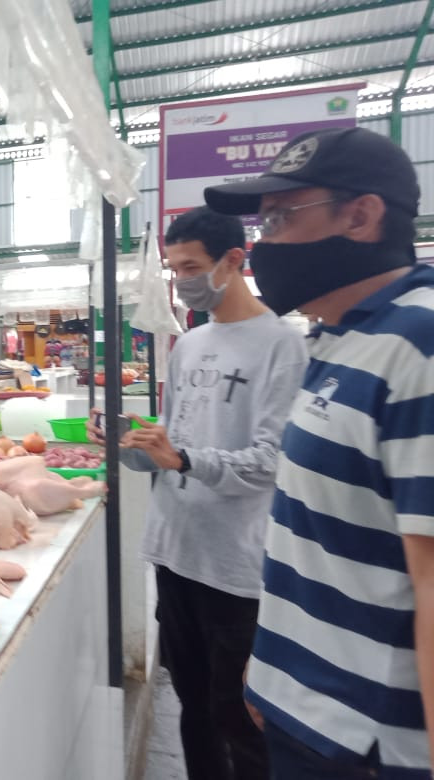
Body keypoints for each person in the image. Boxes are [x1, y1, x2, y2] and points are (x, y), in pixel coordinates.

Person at [204, 127, 434, 778]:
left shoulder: (421, 346)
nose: (262, 244)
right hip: (303, 709)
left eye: (280, 218)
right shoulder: (338, 336)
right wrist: (273, 659)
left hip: (368, 740)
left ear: (361, 216)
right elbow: (310, 524)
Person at [89, 206, 308, 780]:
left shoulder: (282, 345)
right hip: (175, 552)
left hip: (235, 567)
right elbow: (171, 447)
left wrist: (182, 457)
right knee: (192, 707)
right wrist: (125, 445)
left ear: (234, 261)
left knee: (238, 715)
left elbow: (269, 462)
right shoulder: (188, 344)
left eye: (190, 267)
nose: (180, 280)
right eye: (172, 268)